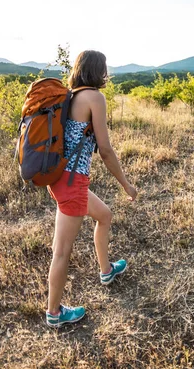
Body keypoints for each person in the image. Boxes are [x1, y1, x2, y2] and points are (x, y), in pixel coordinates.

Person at [45, 50, 138, 327]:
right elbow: (106, 150)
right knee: (61, 251)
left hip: (62, 178)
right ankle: (54, 313)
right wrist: (126, 185)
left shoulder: (70, 95)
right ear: (99, 71)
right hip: (73, 182)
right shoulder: (95, 97)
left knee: (104, 215)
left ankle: (106, 270)